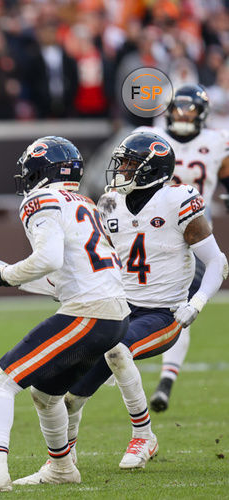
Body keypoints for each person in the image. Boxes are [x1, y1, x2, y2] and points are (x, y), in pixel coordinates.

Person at [0, 137, 132, 493]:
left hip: (89, 314)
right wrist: (8, 275)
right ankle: (62, 468)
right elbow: (62, 279)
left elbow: (48, 260)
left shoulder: (42, 199)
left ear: (42, 170)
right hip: (114, 315)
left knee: (0, 381)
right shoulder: (85, 202)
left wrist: (8, 274)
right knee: (46, 394)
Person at [60, 131, 227, 469]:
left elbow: (217, 262)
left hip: (162, 314)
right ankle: (63, 462)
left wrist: (196, 303)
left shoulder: (178, 200)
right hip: (118, 308)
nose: (120, 169)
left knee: (117, 348)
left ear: (152, 170)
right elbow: (99, 258)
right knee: (71, 393)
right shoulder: (109, 202)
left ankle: (143, 436)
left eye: (128, 163)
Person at [133, 85, 229, 412]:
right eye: (179, 109)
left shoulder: (218, 142)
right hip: (150, 235)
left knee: (179, 307)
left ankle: (165, 381)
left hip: (193, 233)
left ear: (202, 114)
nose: (183, 115)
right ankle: (116, 360)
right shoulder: (149, 136)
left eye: (190, 110)